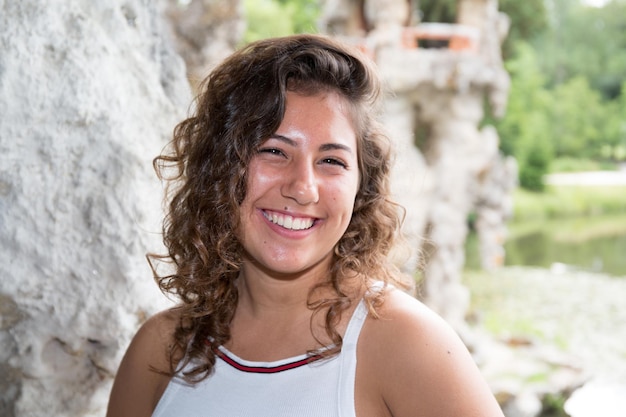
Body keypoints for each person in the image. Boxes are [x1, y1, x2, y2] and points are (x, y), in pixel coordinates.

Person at [106, 33, 505, 417]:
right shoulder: (160, 350)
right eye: (274, 151)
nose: (303, 188)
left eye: (331, 161)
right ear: (218, 167)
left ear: (360, 188)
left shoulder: (405, 343)